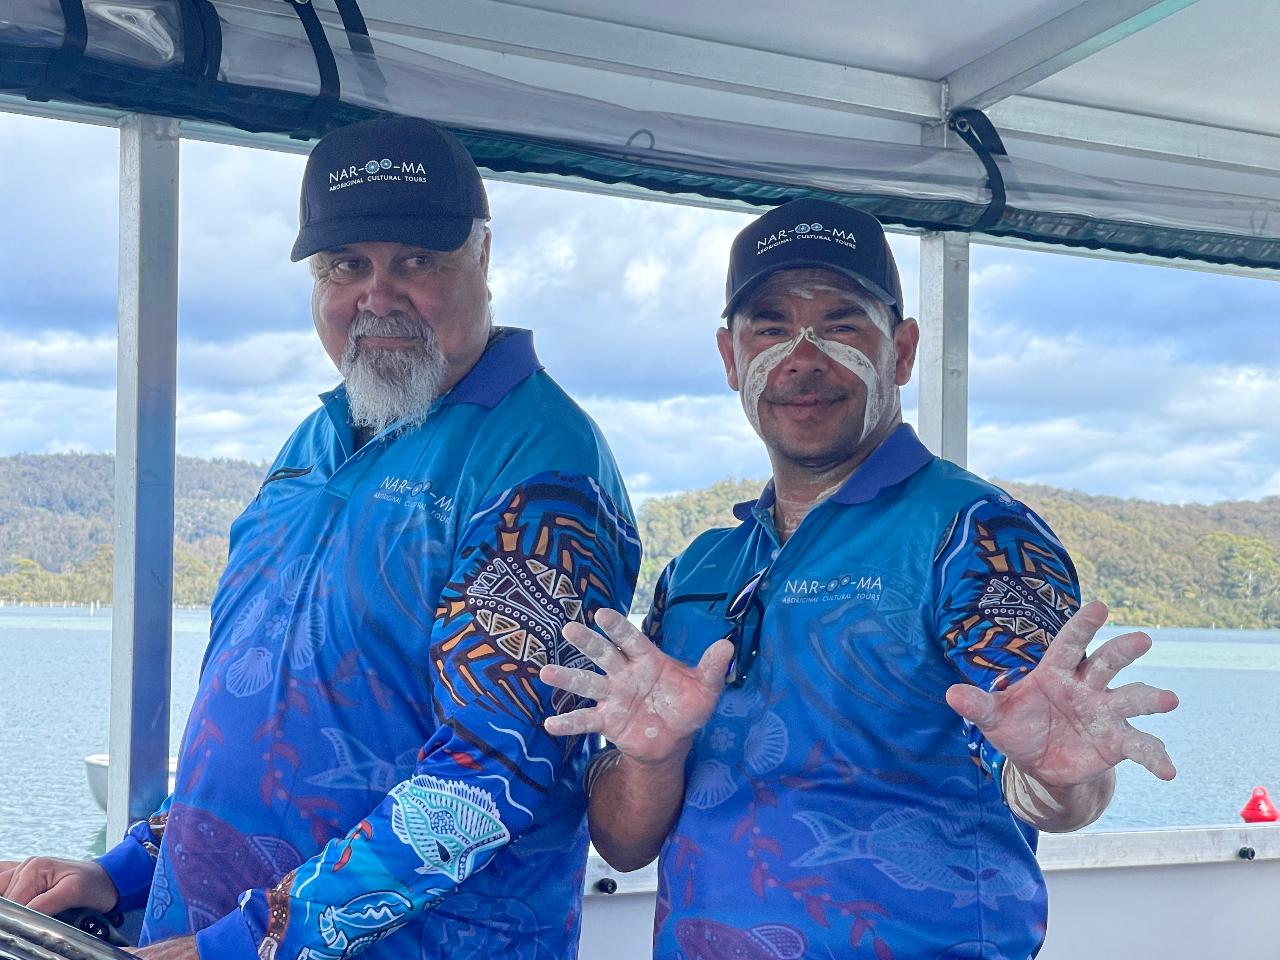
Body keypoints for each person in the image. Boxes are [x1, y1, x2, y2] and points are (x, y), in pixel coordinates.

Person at [0, 116, 639, 960]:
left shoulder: (541, 472)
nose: (378, 295)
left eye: (417, 261)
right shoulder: (317, 441)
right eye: (347, 266)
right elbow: (255, 727)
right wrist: (124, 870)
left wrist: (237, 946)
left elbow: (489, 780)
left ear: (482, 259)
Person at [541, 198, 1178, 960]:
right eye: (770, 328)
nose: (803, 358)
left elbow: (1053, 765)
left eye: (841, 325)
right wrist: (651, 755)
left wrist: (1060, 781)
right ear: (730, 358)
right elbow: (623, 845)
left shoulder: (976, 535)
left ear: (902, 353)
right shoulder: (700, 569)